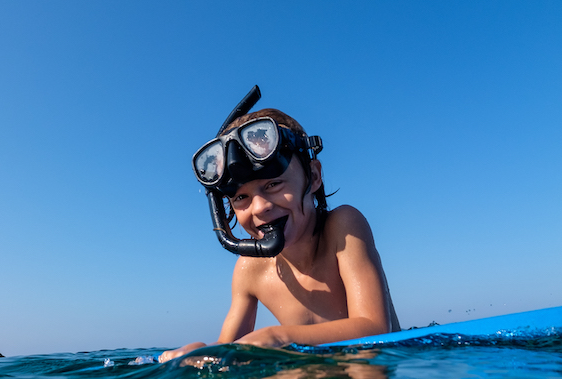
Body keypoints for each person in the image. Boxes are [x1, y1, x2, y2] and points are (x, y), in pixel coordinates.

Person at [159, 86, 400, 362]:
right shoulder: (249, 269)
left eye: (273, 184)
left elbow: (375, 328)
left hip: (372, 372)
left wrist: (278, 337)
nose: (260, 206)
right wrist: (202, 352)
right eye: (241, 197)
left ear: (314, 176)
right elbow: (229, 350)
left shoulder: (343, 229)